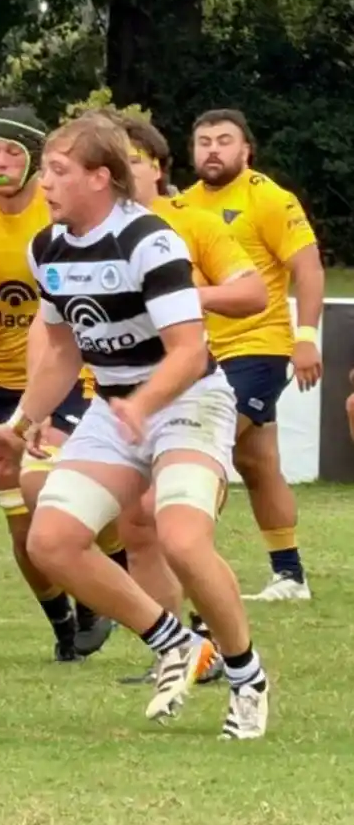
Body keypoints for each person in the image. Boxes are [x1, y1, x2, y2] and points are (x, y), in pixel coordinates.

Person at [0, 114, 269, 740]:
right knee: (51, 540)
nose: (43, 183)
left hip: (189, 401)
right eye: (45, 170)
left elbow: (188, 351)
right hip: (115, 408)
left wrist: (143, 403)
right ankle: (178, 644)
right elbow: (62, 351)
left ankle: (247, 678)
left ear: (100, 178)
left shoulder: (150, 241)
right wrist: (20, 424)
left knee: (182, 540)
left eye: (57, 171)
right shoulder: (47, 247)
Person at [0, 108, 119, 662]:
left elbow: (58, 324)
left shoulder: (55, 217)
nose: (0, 162)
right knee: (21, 527)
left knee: (44, 493)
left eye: (13, 153)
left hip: (63, 377)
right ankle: (67, 626)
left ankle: (109, 570)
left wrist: (36, 405)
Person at [106, 112, 267, 684]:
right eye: (114, 163)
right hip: (115, 394)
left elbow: (253, 292)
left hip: (191, 390)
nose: (123, 173)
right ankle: (177, 651)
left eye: (134, 162)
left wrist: (186, 294)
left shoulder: (192, 223)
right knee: (132, 524)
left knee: (169, 518)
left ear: (158, 169)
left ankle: (230, 650)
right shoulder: (87, 233)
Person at [183, 109, 325, 601]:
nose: (213, 150)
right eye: (204, 141)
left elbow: (308, 268)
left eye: (224, 140)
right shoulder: (182, 205)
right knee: (256, 460)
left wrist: (305, 335)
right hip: (203, 351)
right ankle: (290, 575)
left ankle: (184, 558)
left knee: (203, 445)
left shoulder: (267, 197)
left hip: (259, 348)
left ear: (246, 150)